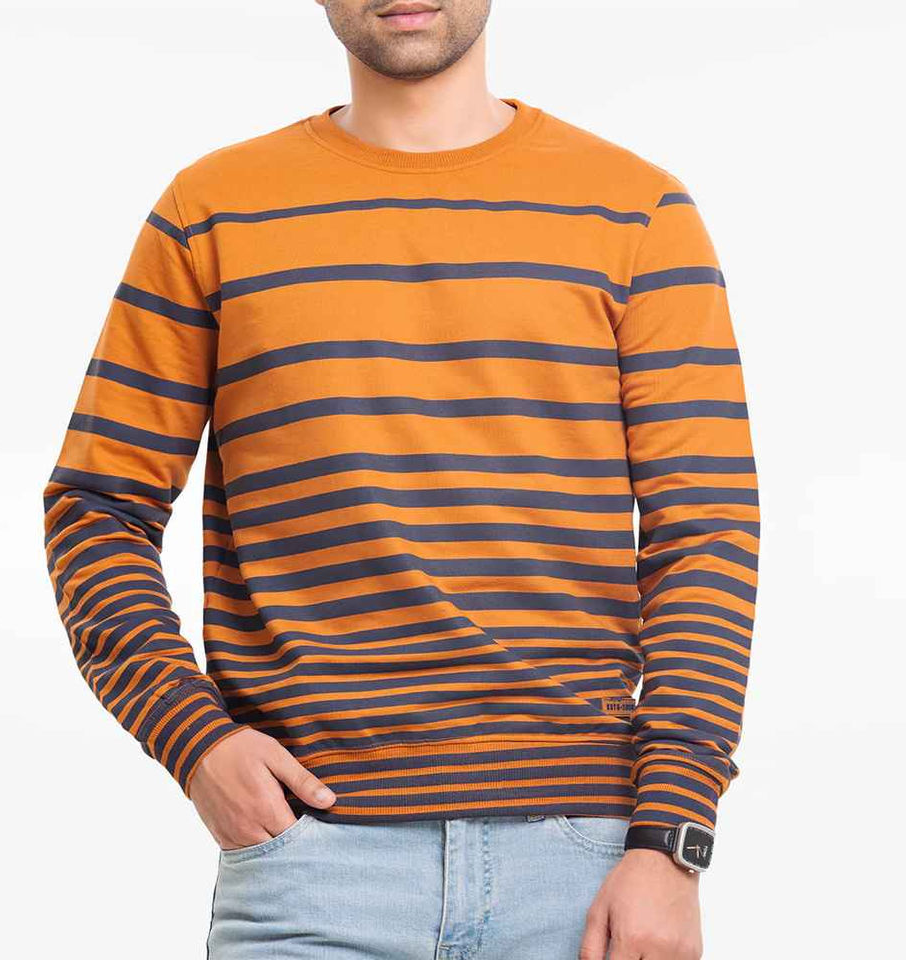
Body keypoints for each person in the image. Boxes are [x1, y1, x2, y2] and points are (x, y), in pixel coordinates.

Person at [41, 1, 759, 957]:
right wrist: (194, 737)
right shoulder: (208, 211)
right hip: (312, 861)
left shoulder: (637, 210)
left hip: (584, 863)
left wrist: (673, 839)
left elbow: (705, 531)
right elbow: (98, 507)